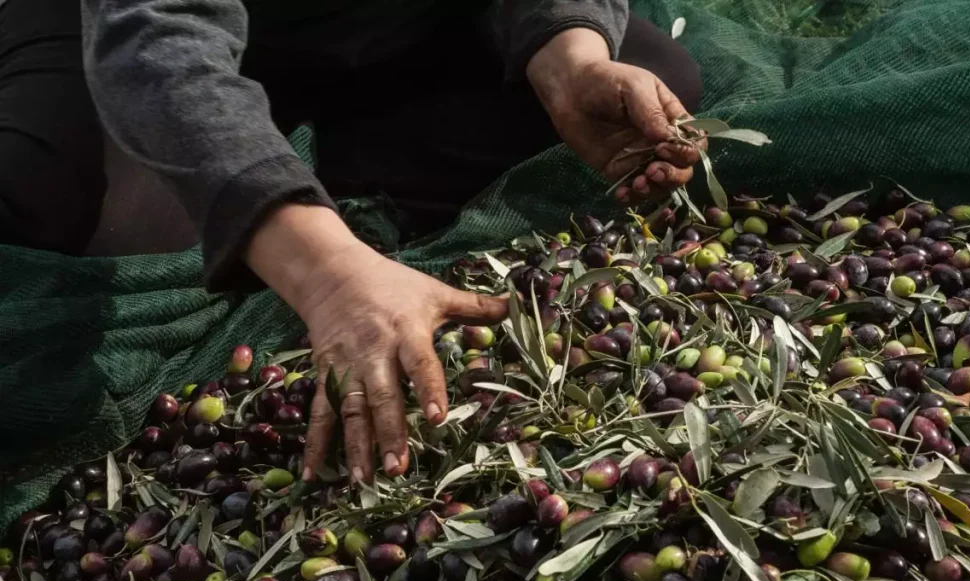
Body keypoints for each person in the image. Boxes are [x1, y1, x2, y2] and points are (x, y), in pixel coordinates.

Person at [0, 0, 702, 484]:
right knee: (56, 210)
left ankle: (315, 165)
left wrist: (568, 61)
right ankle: (278, 179)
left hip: (386, 26)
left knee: (639, 86)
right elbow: (154, 45)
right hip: (140, 26)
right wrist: (327, 275)